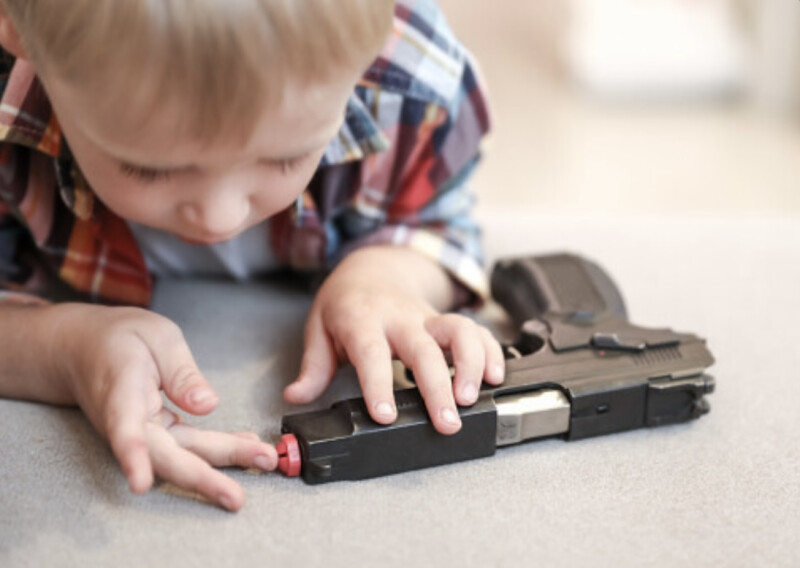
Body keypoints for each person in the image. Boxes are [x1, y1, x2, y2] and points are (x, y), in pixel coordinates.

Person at [0, 0, 504, 511]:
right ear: (18, 31)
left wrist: (385, 276)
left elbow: (441, 223)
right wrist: (64, 351)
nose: (219, 217)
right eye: (148, 169)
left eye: (286, 157)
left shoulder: (405, 81)